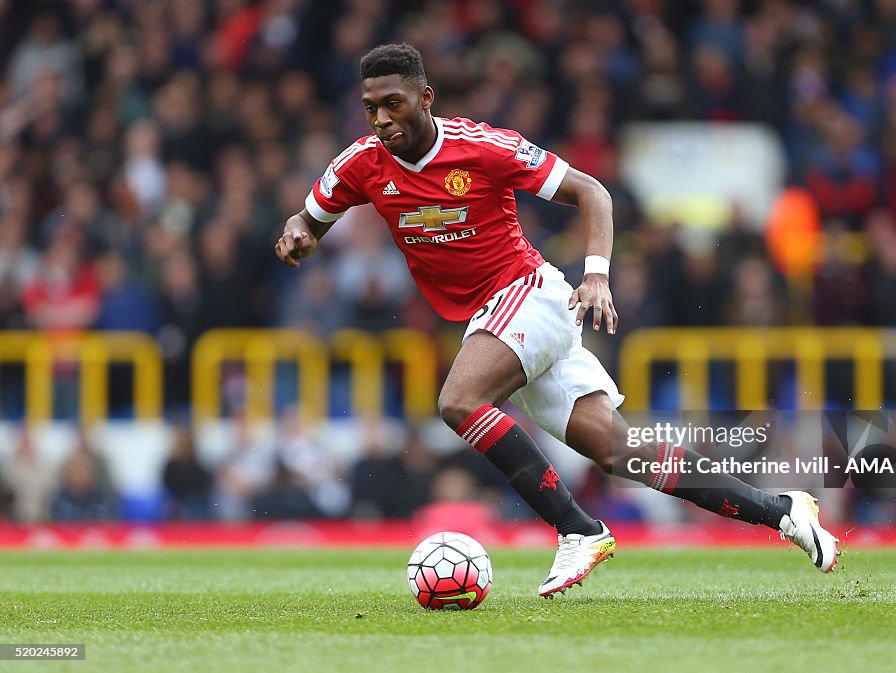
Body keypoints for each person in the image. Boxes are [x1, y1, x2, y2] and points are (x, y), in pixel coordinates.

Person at [275, 43, 839, 597]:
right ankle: (784, 511)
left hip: (529, 295)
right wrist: (300, 231)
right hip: (494, 320)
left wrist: (596, 273)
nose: (381, 119)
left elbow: (591, 192)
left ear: (425, 98)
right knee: (622, 452)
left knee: (459, 401)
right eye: (371, 107)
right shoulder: (360, 163)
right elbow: (311, 215)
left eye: (393, 103)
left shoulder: (483, 147)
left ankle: (578, 530)